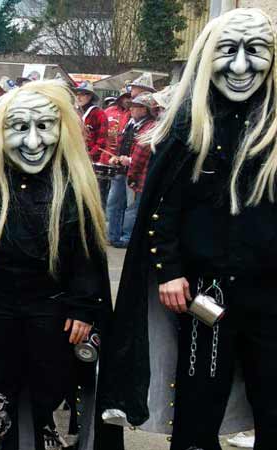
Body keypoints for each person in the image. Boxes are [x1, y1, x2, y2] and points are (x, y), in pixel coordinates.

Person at [100, 9, 277, 450]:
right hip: (207, 292)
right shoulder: (189, 127)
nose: (240, 66)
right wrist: (169, 269)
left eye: (255, 51)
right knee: (198, 403)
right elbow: (162, 207)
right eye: (227, 51)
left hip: (271, 291)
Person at [0, 80, 110, 450]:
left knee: (48, 386)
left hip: (51, 307)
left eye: (44, 127)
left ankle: (46, 429)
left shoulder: (74, 185)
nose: (33, 142)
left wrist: (84, 307)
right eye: (20, 128)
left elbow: (87, 255)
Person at [106, 93, 155, 248]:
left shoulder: (151, 126)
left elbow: (144, 152)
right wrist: (117, 157)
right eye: (132, 105)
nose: (132, 108)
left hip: (136, 172)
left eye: (136, 106)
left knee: (131, 207)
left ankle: (127, 238)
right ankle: (113, 236)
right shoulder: (130, 123)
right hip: (121, 170)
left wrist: (130, 160)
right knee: (113, 203)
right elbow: (122, 144)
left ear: (145, 110)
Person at [74, 81, 108, 162]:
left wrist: (90, 156)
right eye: (77, 94)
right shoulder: (74, 112)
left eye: (82, 94)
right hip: (73, 156)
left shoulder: (99, 114)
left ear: (90, 96)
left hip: (89, 159)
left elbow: (102, 141)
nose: (78, 97)